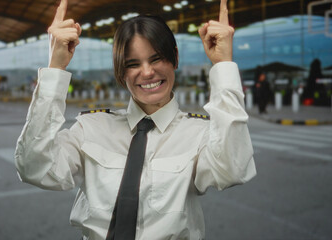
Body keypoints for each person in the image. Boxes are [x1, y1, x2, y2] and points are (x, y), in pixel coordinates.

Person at [15, 0, 256, 239]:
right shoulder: (91, 128)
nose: (147, 72)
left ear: (175, 58)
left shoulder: (199, 133)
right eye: (132, 64)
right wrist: (55, 68)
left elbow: (233, 170)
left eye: (156, 58)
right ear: (121, 73)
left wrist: (223, 65)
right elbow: (35, 168)